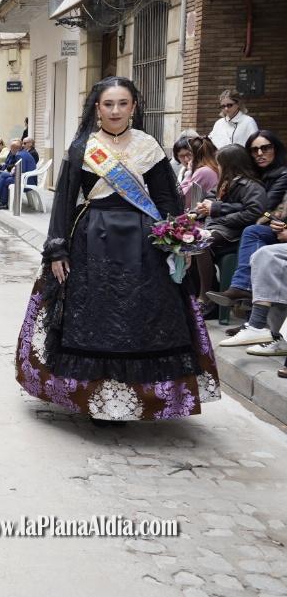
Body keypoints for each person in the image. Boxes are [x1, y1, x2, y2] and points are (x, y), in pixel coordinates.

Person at [16, 76, 220, 423]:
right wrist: (57, 250)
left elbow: (166, 198)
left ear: (133, 107)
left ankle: (137, 399)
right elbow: (65, 202)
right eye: (108, 104)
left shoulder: (148, 146)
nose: (115, 110)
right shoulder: (83, 147)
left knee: (140, 317)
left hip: (143, 244)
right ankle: (94, 399)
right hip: (91, 241)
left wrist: (176, 239)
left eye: (122, 103)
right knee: (94, 317)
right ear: (97, 107)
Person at [192, 144, 267, 314]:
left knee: (200, 242)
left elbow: (254, 212)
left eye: (219, 164)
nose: (217, 167)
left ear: (229, 164)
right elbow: (209, 201)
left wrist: (220, 214)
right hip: (216, 229)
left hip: (234, 233)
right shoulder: (222, 183)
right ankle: (204, 292)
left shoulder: (251, 186)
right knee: (187, 242)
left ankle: (205, 298)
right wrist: (194, 213)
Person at [174, 132, 219, 210]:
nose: (186, 159)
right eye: (181, 156)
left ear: (196, 154)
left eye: (189, 154)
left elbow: (183, 198)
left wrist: (189, 173)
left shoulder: (203, 171)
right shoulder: (212, 167)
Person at [0, 140, 37, 210]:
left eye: (11, 149)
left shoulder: (19, 155)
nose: (10, 151)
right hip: (28, 178)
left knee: (4, 178)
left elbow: (21, 170)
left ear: (15, 149)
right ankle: (0, 200)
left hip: (26, 180)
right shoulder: (24, 152)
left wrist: (11, 173)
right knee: (4, 177)